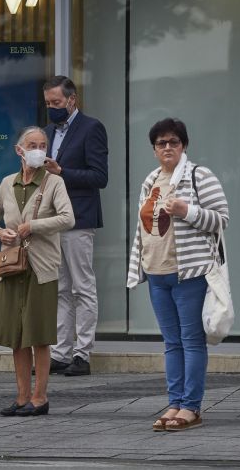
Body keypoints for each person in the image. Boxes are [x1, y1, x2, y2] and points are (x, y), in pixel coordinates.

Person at [126, 118, 228, 432]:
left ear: (183, 145)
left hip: (189, 273)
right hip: (157, 273)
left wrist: (188, 212)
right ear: (154, 149)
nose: (167, 147)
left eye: (173, 142)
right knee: (172, 343)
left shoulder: (200, 175)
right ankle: (175, 402)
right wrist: (138, 266)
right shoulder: (151, 179)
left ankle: (191, 407)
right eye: (161, 143)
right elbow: (143, 228)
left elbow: (221, 218)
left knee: (191, 341)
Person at [0, 126, 75, 416]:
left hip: (41, 267)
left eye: (43, 144)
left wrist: (32, 226)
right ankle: (21, 397)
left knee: (38, 335)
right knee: (16, 335)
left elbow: (68, 218)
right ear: (19, 151)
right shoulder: (7, 183)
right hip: (12, 267)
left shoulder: (54, 183)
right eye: (32, 144)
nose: (38, 149)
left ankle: (40, 397)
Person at [41, 75, 108, 377]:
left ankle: (82, 354)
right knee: (61, 289)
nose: (52, 108)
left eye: (56, 102)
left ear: (72, 100)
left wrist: (62, 172)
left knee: (83, 286)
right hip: (52, 220)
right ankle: (60, 352)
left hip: (79, 218)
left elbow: (99, 177)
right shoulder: (47, 132)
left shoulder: (91, 128)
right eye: (48, 103)